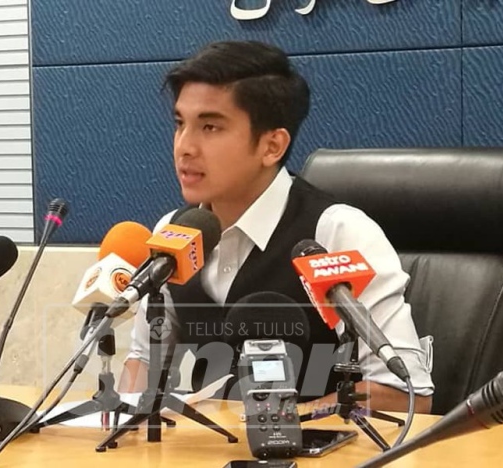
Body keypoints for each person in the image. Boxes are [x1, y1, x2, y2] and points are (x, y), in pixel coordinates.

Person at [119, 40, 433, 412]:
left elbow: (402, 394)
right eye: (179, 124)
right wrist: (122, 416)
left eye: (210, 127)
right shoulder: (175, 233)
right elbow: (143, 360)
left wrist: (278, 422)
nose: (184, 147)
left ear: (272, 146)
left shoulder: (336, 234)